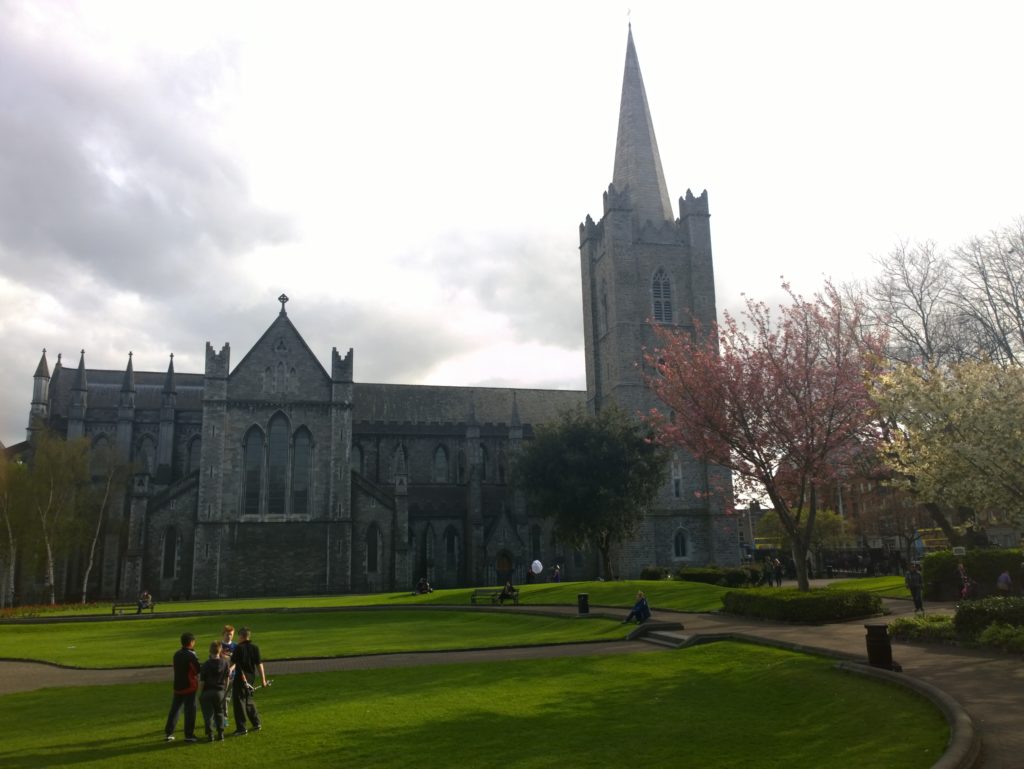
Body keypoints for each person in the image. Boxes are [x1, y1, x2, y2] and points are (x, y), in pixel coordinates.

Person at [164, 631, 201, 743]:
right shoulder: (191, 655)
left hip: (178, 685)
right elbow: (197, 670)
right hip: (189, 686)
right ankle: (189, 735)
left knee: (175, 709)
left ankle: (169, 732)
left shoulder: (176, 654)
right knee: (190, 711)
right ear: (191, 642)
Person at [231, 626, 268, 736]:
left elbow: (232, 663)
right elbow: (259, 665)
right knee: (249, 700)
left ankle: (241, 728)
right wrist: (263, 680)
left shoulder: (238, 648)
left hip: (240, 678)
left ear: (241, 636)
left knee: (239, 702)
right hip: (251, 678)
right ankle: (256, 723)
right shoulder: (255, 648)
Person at [199, 640, 232, 741]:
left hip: (207, 691)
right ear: (220, 650)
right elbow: (227, 679)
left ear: (210, 651)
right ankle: (220, 733)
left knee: (208, 715)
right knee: (220, 712)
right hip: (219, 692)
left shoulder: (205, 665)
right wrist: (224, 690)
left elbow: (202, 681)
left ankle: (210, 735)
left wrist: (200, 692)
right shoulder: (225, 663)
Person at [219, 625, 237, 729]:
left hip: (232, 676)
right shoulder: (218, 645)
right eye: (227, 634)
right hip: (220, 677)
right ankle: (220, 717)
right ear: (223, 634)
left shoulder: (235, 646)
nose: (229, 636)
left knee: (226, 698)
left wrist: (231, 668)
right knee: (220, 697)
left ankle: (224, 718)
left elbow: (237, 661)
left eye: (231, 634)